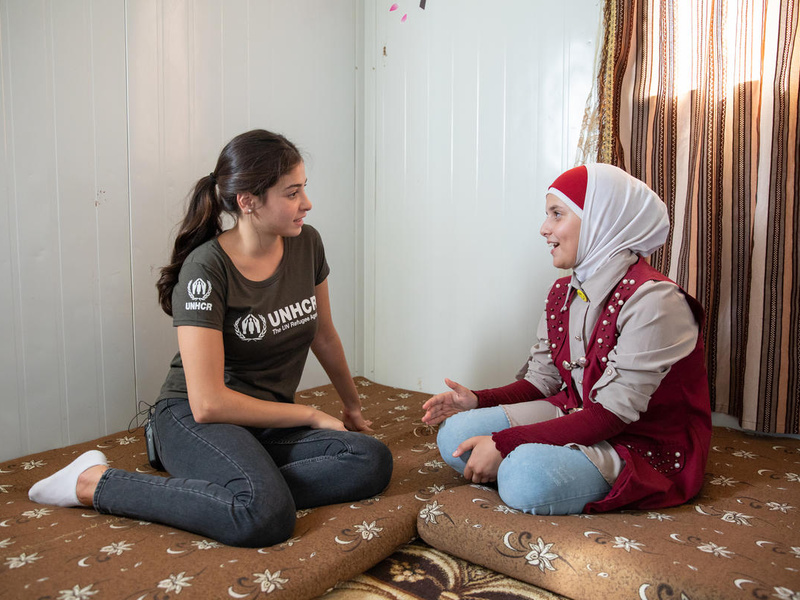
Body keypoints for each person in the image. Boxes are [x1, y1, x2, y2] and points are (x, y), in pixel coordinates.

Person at [29, 129, 393, 546]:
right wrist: (310, 415)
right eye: (292, 193)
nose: (306, 204)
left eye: (304, 189)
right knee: (263, 518)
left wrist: (352, 407)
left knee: (370, 460)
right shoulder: (207, 269)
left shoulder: (306, 243)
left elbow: (324, 336)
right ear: (248, 201)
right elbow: (208, 403)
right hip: (196, 416)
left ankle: (242, 487)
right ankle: (91, 482)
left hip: (263, 420)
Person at [422, 163, 711, 515]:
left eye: (557, 214)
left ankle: (541, 469)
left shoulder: (656, 301)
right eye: (547, 215)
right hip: (580, 412)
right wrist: (477, 400)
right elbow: (543, 381)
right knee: (456, 433)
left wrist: (504, 443)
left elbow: (611, 416)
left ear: (601, 219)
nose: (544, 229)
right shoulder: (563, 291)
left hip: (641, 441)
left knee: (523, 475)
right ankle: (550, 464)